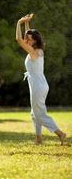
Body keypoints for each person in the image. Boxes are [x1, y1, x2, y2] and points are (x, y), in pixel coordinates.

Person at [16, 13, 66, 145]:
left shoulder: (34, 52)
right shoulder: (36, 49)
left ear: (35, 41)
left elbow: (19, 40)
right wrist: (27, 23)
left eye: (31, 39)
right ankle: (38, 139)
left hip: (38, 86)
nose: (28, 40)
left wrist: (19, 23)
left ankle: (60, 133)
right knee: (35, 113)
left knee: (40, 114)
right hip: (39, 85)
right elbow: (26, 36)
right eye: (28, 39)